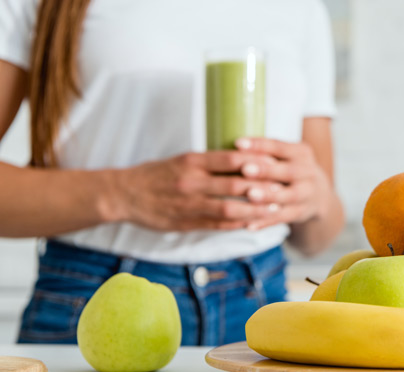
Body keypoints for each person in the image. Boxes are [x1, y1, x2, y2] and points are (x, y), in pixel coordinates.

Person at [0, 0, 345, 345]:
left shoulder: (301, 9)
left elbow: (318, 237)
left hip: (259, 299)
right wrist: (123, 193)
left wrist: (314, 199)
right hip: (94, 294)